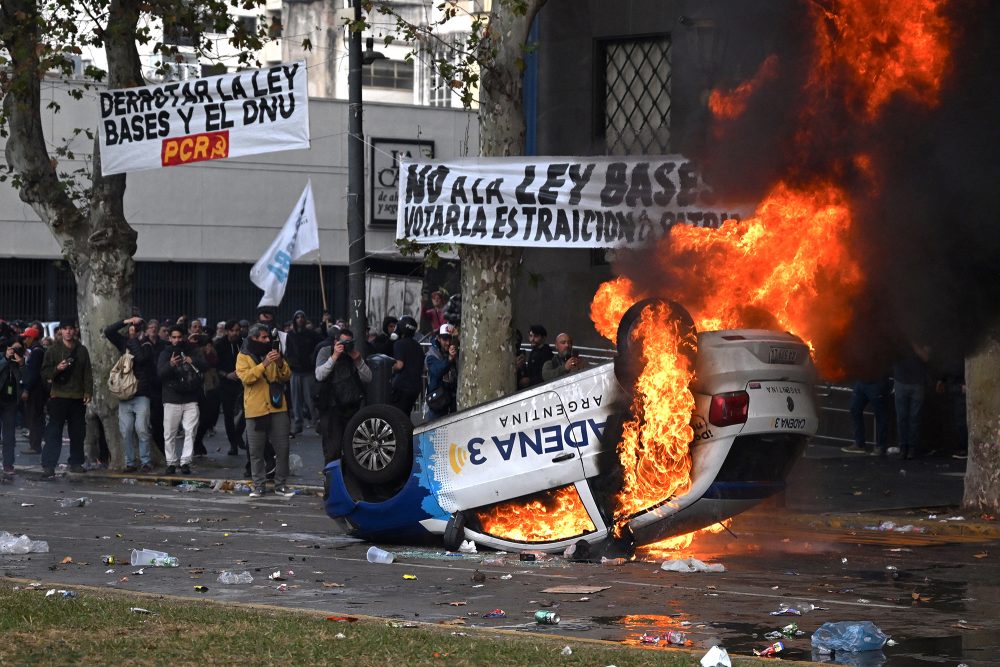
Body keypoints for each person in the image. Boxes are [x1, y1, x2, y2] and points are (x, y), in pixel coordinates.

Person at [236, 323, 295, 497]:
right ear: (254, 338)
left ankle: (281, 484)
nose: (267, 340)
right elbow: (246, 378)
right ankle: (259, 485)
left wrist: (279, 363)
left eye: (268, 337)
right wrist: (264, 363)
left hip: (277, 407)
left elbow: (286, 376)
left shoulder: (274, 351)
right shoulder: (243, 355)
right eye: (263, 337)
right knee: (256, 451)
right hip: (255, 409)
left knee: (283, 448)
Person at [40, 320, 93, 479]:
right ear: (61, 331)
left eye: (71, 329)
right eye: (65, 329)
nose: (68, 332)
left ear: (75, 331)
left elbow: (87, 373)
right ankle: (49, 465)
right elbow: (45, 373)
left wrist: (88, 392)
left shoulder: (82, 350)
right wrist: (58, 369)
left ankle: (76, 462)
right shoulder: (53, 350)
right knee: (54, 432)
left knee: (78, 432)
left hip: (77, 397)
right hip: (59, 397)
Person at [103, 316, 156, 473]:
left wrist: (133, 339)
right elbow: (108, 331)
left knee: (142, 428)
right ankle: (130, 462)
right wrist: (125, 321)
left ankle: (146, 461)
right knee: (126, 431)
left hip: (141, 394)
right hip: (125, 394)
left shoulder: (147, 345)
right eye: (132, 327)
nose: (133, 329)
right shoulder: (124, 342)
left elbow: (140, 358)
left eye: (137, 327)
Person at [315, 328, 371, 463]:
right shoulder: (325, 351)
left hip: (351, 406)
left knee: (353, 448)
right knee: (333, 448)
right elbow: (319, 375)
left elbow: (368, 378)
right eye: (343, 342)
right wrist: (334, 356)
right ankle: (331, 479)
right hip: (331, 407)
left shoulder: (353, 354)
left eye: (349, 342)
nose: (346, 346)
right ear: (335, 341)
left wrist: (358, 361)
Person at [157, 326, 207, 475]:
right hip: (171, 398)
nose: (177, 340)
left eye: (180, 337)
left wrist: (193, 361)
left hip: (191, 397)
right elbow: (160, 374)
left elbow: (206, 366)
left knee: (190, 431)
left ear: (184, 337)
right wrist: (171, 364)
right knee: (169, 433)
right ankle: (171, 463)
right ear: (170, 338)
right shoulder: (165, 353)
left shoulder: (193, 351)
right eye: (174, 337)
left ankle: (185, 462)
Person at [284, 309, 321, 436]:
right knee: (296, 400)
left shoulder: (311, 334)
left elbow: (320, 345)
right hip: (295, 371)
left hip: (308, 371)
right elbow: (287, 351)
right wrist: (290, 362)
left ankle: (316, 424)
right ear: (295, 320)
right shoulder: (290, 335)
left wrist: (313, 359)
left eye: (302, 317)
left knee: (311, 399)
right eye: (298, 317)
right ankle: (298, 424)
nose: (300, 319)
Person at [894, 341, 930, 459]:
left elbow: (926, 357)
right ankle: (903, 447)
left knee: (915, 418)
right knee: (901, 417)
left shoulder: (923, 336)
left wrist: (914, 344)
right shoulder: (898, 337)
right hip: (901, 381)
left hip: (917, 383)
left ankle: (912, 448)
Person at [214, 320, 246, 455]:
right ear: (227, 331)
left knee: (247, 410)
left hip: (242, 381)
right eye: (232, 330)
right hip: (226, 383)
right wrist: (227, 375)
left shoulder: (243, 343)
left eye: (237, 330)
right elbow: (215, 366)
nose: (235, 333)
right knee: (228, 414)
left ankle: (238, 433)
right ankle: (233, 444)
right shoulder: (220, 345)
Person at [841, 376, 893, 456]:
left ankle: (881, 446)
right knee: (854, 409)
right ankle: (859, 444)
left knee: (881, 415)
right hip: (862, 381)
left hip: (877, 382)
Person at [18, 326, 46, 456]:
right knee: (34, 418)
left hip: (35, 391)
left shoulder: (37, 352)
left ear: (31, 338)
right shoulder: (36, 351)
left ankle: (35, 446)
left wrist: (27, 389)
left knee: (33, 418)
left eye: (26, 338)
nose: (24, 341)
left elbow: (33, 373)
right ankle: (35, 444)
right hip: (36, 390)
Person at [390, 316, 423, 418]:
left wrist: (388, 367)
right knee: (406, 415)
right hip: (415, 388)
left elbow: (399, 365)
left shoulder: (399, 344)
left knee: (397, 416)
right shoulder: (418, 346)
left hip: (401, 387)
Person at [0, 336, 25, 476]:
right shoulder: (1, 357)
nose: (15, 351)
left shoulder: (20, 360)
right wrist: (5, 358)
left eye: (18, 349)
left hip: (10, 402)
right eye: (12, 348)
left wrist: (21, 363)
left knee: (9, 435)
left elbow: (27, 376)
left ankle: (8, 464)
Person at [424, 323, 458, 421]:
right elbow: (437, 371)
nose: (447, 343)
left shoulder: (453, 351)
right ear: (439, 339)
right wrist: (449, 359)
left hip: (451, 400)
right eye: (444, 339)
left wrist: (456, 335)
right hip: (438, 402)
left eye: (449, 339)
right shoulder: (431, 355)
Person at [517, 324, 553, 389]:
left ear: (543, 338)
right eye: (531, 336)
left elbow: (546, 374)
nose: (532, 339)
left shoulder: (546, 353)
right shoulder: (533, 351)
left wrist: (530, 381)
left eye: (536, 336)